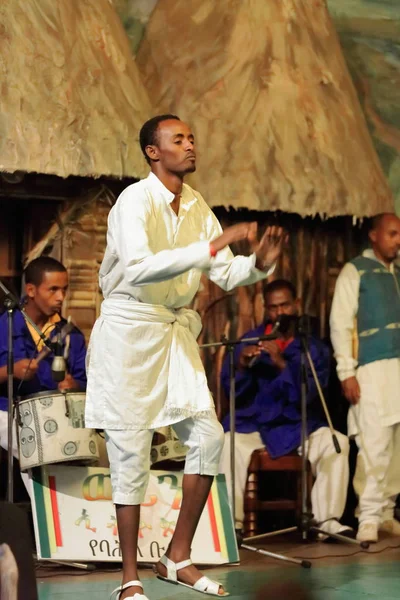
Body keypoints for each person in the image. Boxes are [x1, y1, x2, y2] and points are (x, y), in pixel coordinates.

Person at [85, 114, 287, 600]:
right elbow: (137, 268)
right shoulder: (134, 201)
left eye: (192, 137)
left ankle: (177, 555)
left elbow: (223, 271)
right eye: (178, 139)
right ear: (153, 152)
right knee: (130, 451)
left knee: (208, 437)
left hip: (173, 333)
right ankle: (129, 577)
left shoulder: (196, 205)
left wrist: (258, 264)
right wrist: (212, 245)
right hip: (131, 331)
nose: (190, 145)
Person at [219, 279, 351, 539]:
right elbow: (232, 393)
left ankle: (326, 521)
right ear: (265, 309)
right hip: (256, 425)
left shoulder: (313, 347)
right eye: (273, 308)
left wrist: (281, 364)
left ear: (296, 305)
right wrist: (243, 366)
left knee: (337, 443)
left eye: (285, 305)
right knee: (227, 444)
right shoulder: (249, 340)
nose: (280, 313)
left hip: (298, 425)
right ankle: (230, 525)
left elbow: (310, 395)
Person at [330, 213, 400, 543]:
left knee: (397, 447)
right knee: (375, 442)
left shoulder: (396, 272)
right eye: (392, 233)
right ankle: (368, 516)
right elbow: (340, 323)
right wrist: (346, 371)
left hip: (398, 370)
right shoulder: (355, 270)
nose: (398, 239)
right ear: (374, 235)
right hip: (371, 371)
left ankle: (386, 512)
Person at [0, 257, 87, 460]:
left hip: (56, 416)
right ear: (31, 290)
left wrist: (74, 384)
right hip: (7, 413)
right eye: (53, 289)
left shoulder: (70, 335)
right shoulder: (5, 326)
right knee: (37, 447)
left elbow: (86, 383)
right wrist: (9, 371)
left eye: (64, 289)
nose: (61, 297)